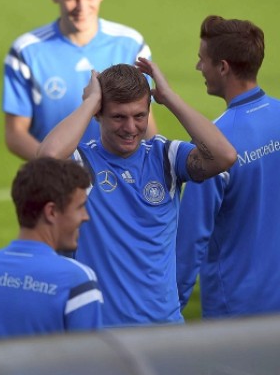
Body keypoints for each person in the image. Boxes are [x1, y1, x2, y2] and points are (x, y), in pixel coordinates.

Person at [37, 58, 236, 327]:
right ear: (99, 114)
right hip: (102, 336)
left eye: (139, 116)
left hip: (164, 330)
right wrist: (88, 102)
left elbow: (224, 156)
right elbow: (47, 157)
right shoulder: (83, 164)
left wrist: (170, 97)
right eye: (119, 117)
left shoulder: (165, 158)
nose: (131, 128)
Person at [2, 0, 157, 160]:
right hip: (56, 184)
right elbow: (15, 134)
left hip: (118, 184)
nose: (82, 7)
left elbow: (145, 119)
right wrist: (63, 171)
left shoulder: (131, 45)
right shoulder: (26, 52)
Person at [176, 15, 280, 319]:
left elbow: (191, 238)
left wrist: (172, 308)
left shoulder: (215, 146)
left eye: (202, 59)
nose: (198, 67)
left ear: (223, 67)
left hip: (236, 309)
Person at [0, 157, 103, 341]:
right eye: (80, 207)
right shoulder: (76, 281)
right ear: (51, 212)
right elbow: (90, 365)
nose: (85, 217)